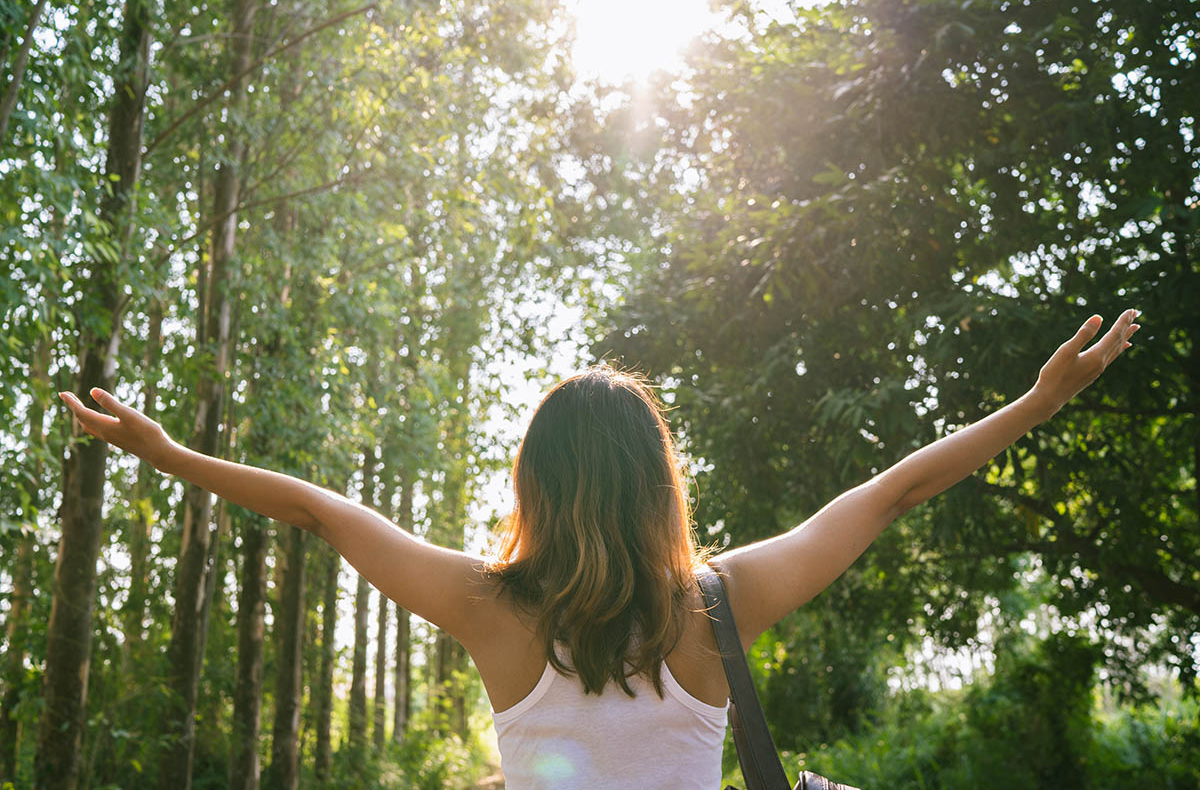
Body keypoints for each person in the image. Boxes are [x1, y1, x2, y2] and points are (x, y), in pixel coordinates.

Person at [60, 309, 1140, 789]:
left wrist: (168, 450)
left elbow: (320, 510)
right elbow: (893, 490)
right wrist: (1037, 401)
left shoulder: (490, 608)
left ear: (535, 480)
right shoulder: (721, 602)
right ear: (657, 478)